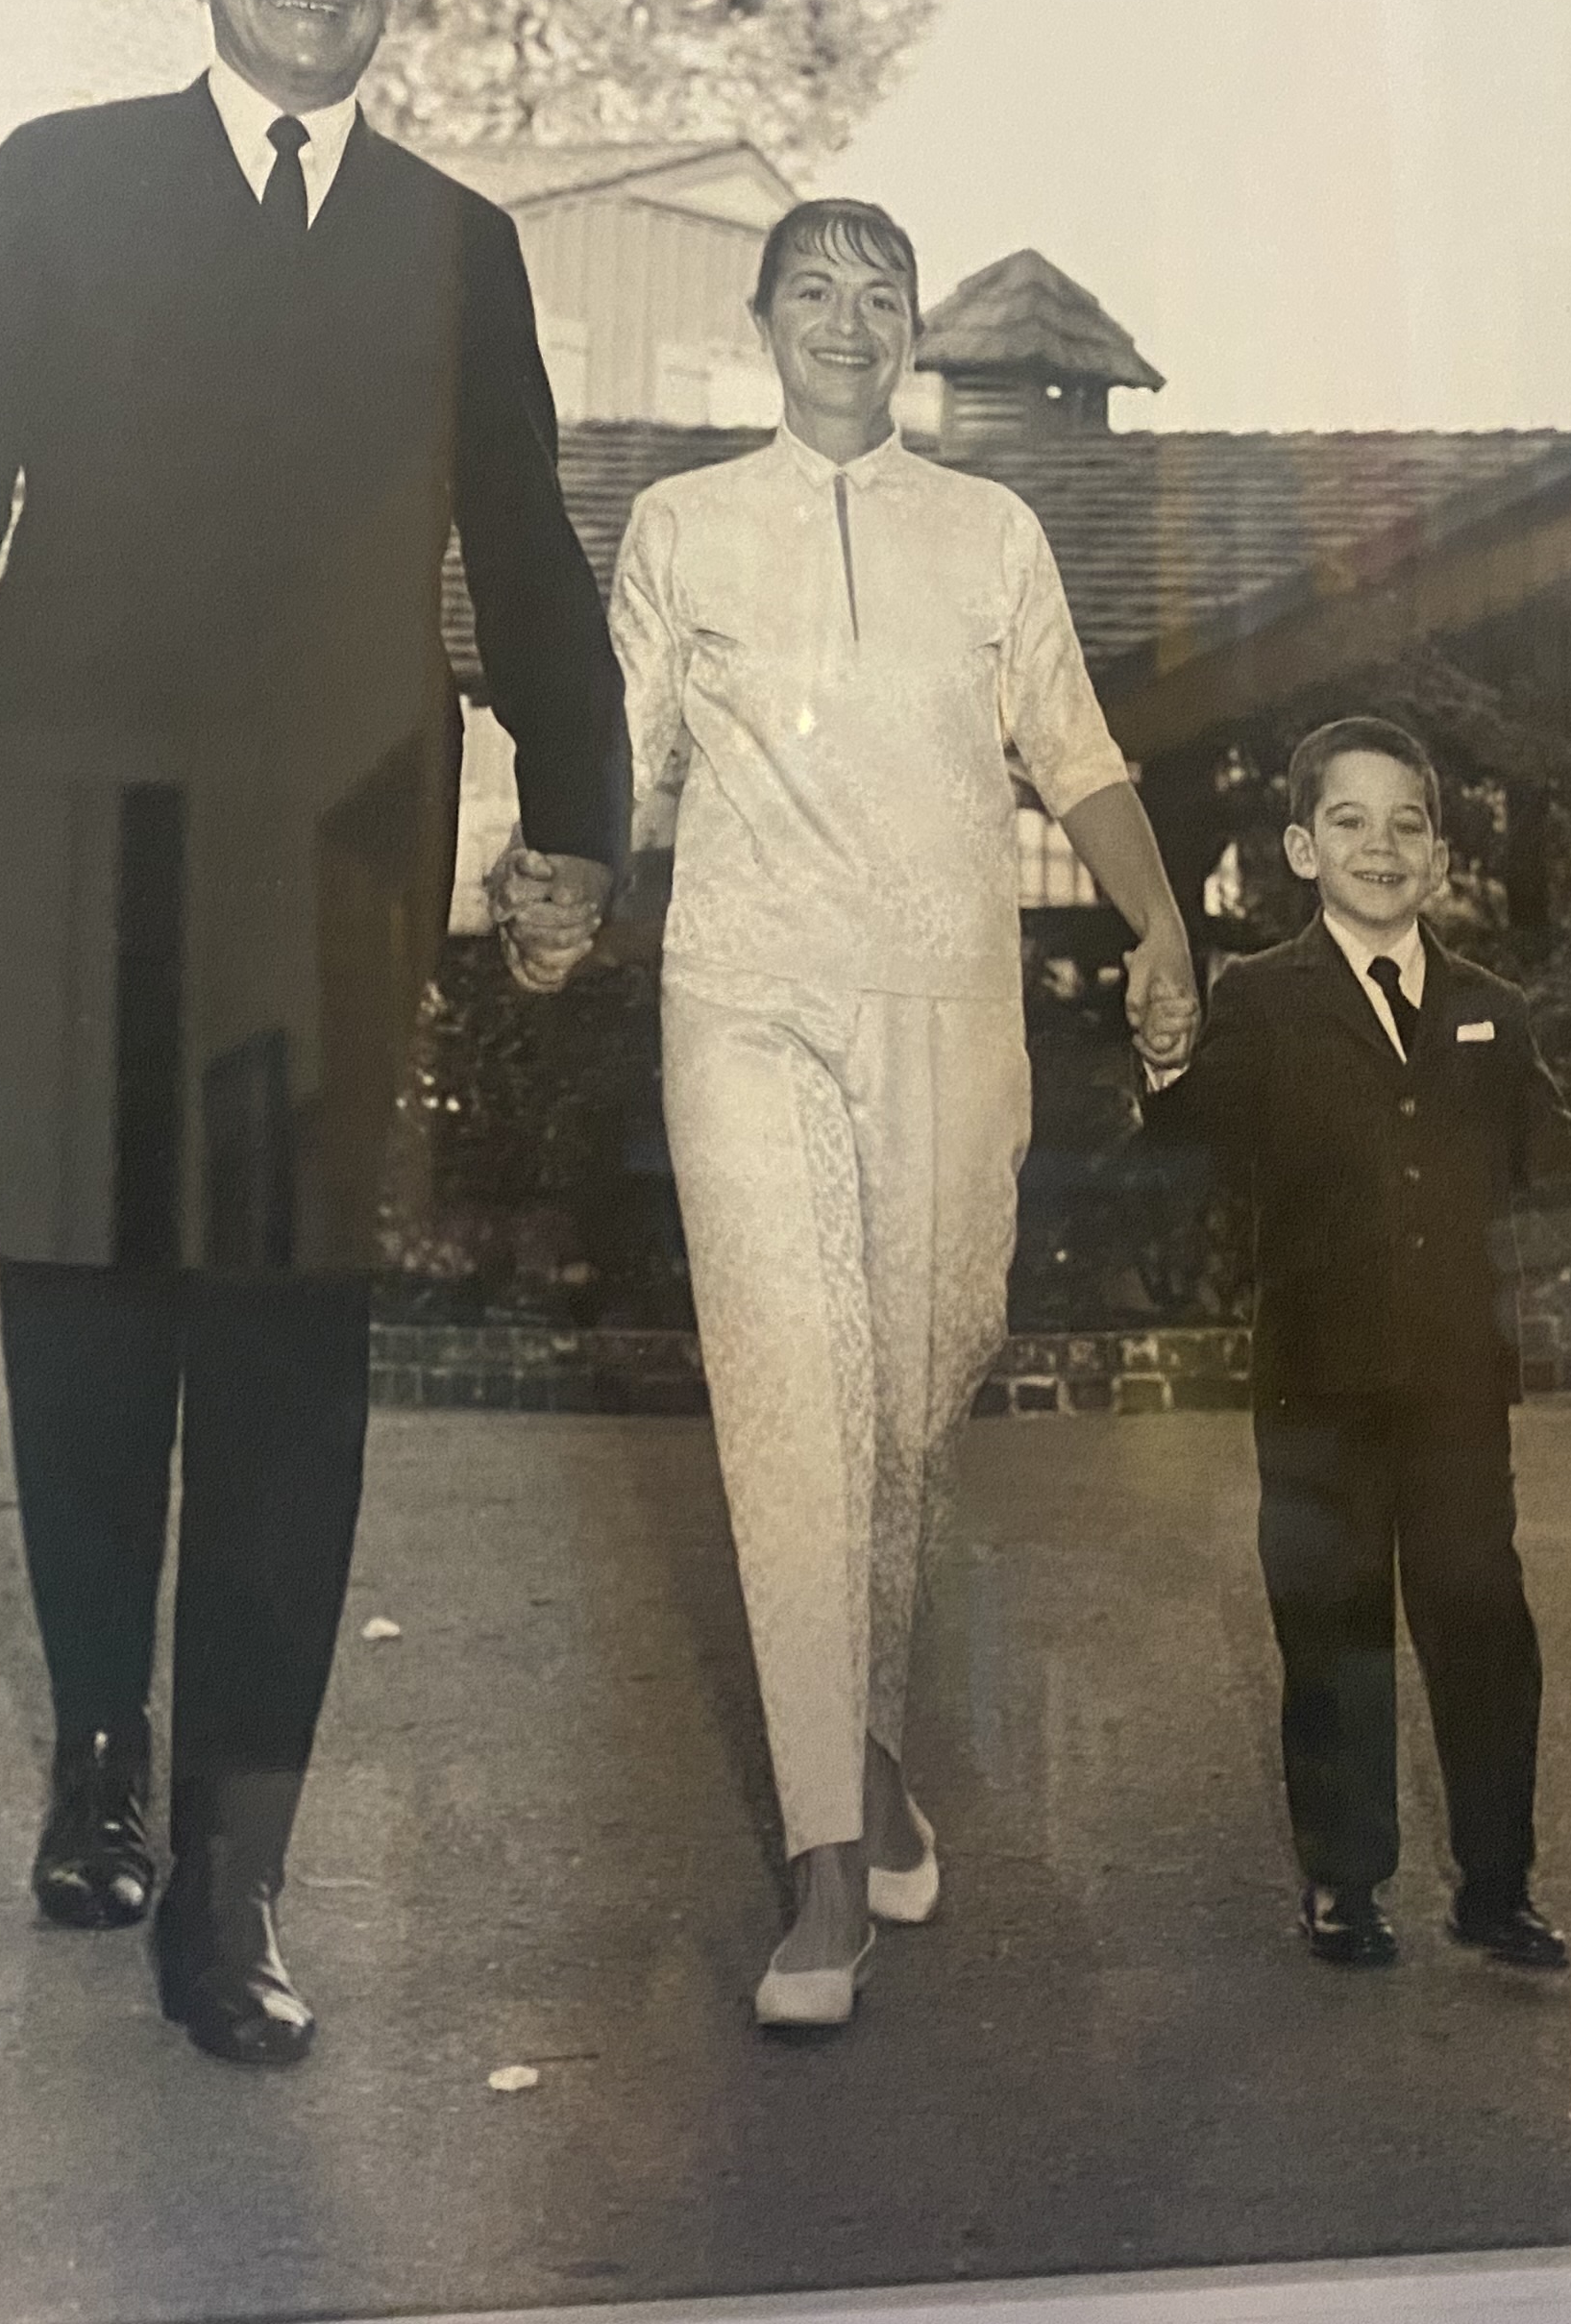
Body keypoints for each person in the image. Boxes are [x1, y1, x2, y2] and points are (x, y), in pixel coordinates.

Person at [0, 0, 625, 2067]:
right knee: (84, 1344)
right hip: (80, 850)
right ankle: (94, 1751)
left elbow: (527, 547)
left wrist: (581, 812)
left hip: (338, 869)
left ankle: (237, 1881)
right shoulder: (63, 183)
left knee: (279, 1371)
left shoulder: (459, 244)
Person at [608, 198, 1196, 2031]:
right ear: (762, 318)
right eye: (813, 289)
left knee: (906, 1388)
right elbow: (615, 773)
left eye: (881, 293)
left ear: (918, 328)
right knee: (791, 1386)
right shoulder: (681, 521)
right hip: (743, 1001)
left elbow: (1078, 748)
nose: (847, 320)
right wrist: (544, 891)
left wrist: (1164, 922)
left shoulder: (990, 528)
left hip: (946, 1009)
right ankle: (818, 1866)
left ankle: (861, 1743)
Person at [1137, 716, 1571, 1975]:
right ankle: (1345, 1882)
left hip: (1456, 1392)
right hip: (1316, 1390)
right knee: (1333, 1630)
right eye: (1352, 823)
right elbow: (1186, 1150)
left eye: (1407, 824)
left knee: (1484, 1625)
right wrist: (1163, 1063)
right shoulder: (1261, 999)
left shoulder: (1494, 1013)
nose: (1382, 846)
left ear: (1438, 857)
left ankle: (1497, 1888)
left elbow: (1570, 1170)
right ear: (1301, 849)